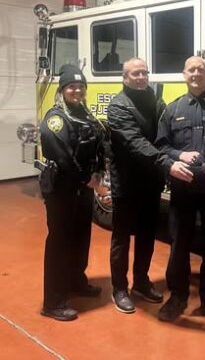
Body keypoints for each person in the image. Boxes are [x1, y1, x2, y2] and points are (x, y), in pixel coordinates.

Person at [108, 58, 193, 314]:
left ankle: (141, 282)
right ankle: (119, 288)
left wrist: (183, 151)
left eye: (144, 73)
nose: (141, 77)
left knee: (147, 234)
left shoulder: (156, 101)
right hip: (126, 182)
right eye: (135, 74)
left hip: (151, 180)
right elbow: (135, 142)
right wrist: (167, 163)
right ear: (125, 78)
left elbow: (167, 132)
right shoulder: (118, 106)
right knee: (122, 237)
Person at [154, 56, 205, 324]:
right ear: (184, 74)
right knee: (179, 243)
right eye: (192, 69)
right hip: (184, 187)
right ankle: (177, 297)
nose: (196, 73)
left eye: (201, 69)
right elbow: (161, 147)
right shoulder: (172, 109)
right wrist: (180, 155)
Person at [39, 64, 105, 321]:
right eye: (71, 87)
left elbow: (98, 146)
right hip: (62, 188)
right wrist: (87, 179)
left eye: (80, 86)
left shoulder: (85, 114)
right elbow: (63, 157)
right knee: (60, 241)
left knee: (80, 236)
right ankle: (53, 301)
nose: (77, 90)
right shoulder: (56, 118)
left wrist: (97, 172)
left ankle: (76, 280)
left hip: (83, 186)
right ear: (62, 90)